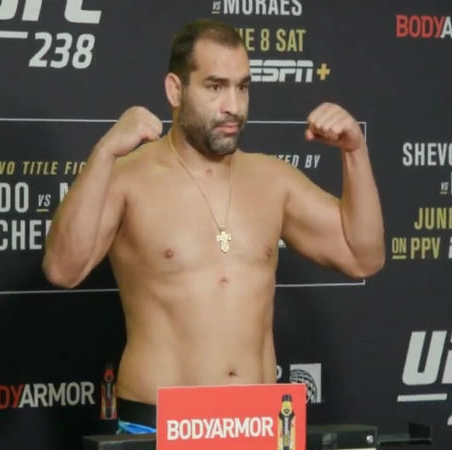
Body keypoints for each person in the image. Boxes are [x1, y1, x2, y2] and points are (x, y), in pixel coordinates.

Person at [42, 18, 385, 434]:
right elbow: (62, 269)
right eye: (215, 87)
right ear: (175, 90)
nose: (233, 106)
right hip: (162, 429)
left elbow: (362, 256)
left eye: (243, 87)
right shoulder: (129, 178)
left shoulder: (272, 180)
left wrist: (354, 152)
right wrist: (103, 153)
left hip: (261, 425)